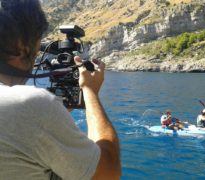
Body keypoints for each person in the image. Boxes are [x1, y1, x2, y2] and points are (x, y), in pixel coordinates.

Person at [0, 0, 121, 179]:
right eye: (38, 44)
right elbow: (108, 173)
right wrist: (90, 91)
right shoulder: (30, 105)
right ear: (21, 46)